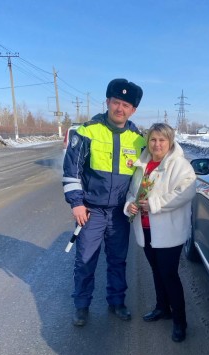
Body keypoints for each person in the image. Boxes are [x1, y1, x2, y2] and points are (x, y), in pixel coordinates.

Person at [62, 78, 146, 326]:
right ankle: (81, 305)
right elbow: (71, 172)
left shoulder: (139, 140)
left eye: (126, 105)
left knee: (118, 260)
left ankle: (117, 302)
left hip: (120, 213)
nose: (120, 108)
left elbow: (149, 175)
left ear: (133, 110)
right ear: (108, 102)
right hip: (91, 211)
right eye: (116, 102)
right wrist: (77, 203)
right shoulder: (87, 132)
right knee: (86, 260)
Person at [125, 123, 196, 342]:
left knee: (169, 275)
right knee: (156, 271)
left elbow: (184, 193)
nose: (157, 144)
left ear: (170, 142)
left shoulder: (181, 166)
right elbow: (131, 192)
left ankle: (180, 321)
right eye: (153, 139)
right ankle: (162, 308)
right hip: (146, 230)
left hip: (168, 232)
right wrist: (130, 205)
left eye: (162, 140)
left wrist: (154, 204)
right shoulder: (142, 164)